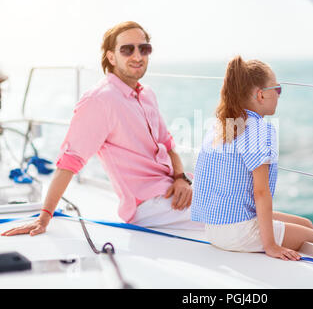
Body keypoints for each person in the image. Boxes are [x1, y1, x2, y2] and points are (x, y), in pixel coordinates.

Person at [2, 21, 203, 237]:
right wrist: (44, 217)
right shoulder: (100, 100)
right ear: (111, 57)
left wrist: (181, 178)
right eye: (127, 49)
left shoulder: (147, 95)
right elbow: (70, 161)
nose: (137, 56)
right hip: (147, 205)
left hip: (173, 187)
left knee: (238, 195)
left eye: (143, 49)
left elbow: (168, 143)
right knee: (233, 214)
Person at [191, 56, 313, 261]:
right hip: (238, 233)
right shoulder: (259, 129)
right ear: (261, 95)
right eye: (277, 90)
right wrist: (271, 246)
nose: (278, 96)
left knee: (306, 225)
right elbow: (260, 191)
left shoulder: (223, 125)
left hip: (214, 230)